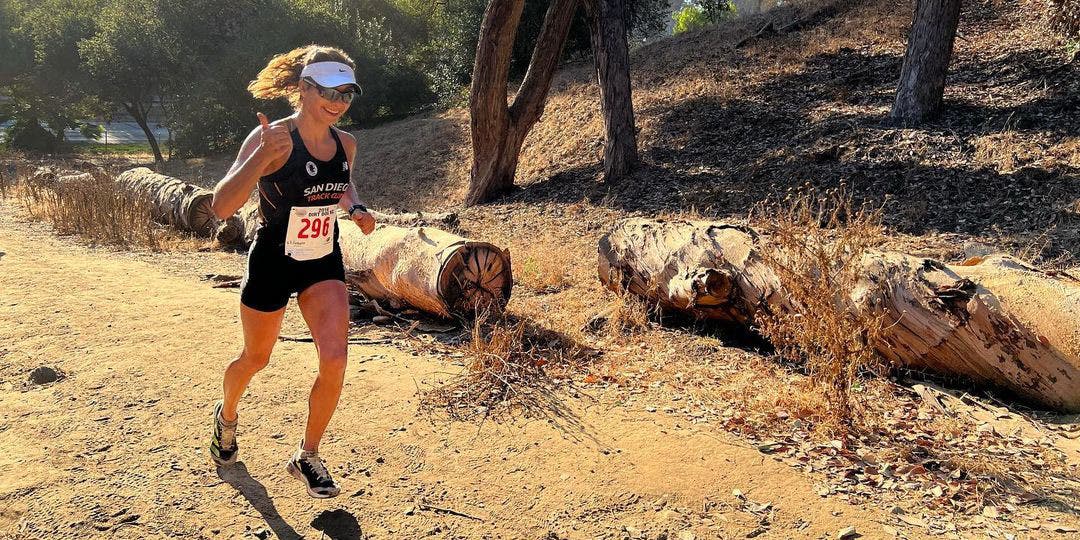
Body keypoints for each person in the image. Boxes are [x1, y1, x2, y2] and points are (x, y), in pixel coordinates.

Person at [207, 45, 376, 499]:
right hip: (273, 261)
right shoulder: (272, 137)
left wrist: (354, 205)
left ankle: (308, 454)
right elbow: (222, 206)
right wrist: (258, 160)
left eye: (347, 93)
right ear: (303, 89)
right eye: (328, 91)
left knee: (336, 359)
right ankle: (226, 417)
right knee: (255, 359)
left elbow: (340, 182)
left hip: (322, 259)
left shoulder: (347, 144)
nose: (338, 102)